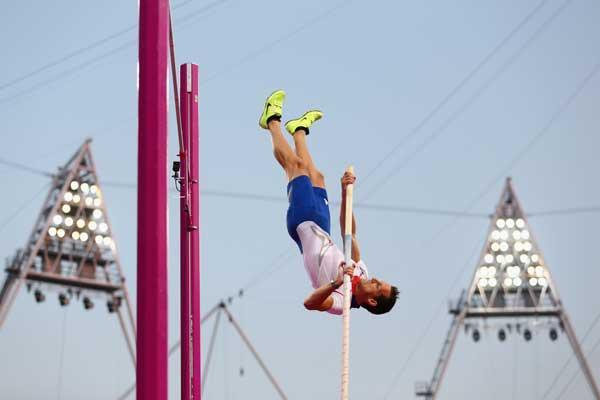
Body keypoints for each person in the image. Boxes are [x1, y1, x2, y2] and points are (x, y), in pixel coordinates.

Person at [258, 89, 399, 315]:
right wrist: (344, 193)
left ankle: (271, 120)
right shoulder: (361, 271)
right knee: (318, 177)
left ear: (371, 301)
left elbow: (310, 303)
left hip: (303, 223)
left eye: (377, 285)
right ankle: (298, 131)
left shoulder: (341, 304)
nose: (374, 279)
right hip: (323, 227)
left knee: (296, 167)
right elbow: (348, 232)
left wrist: (336, 282)